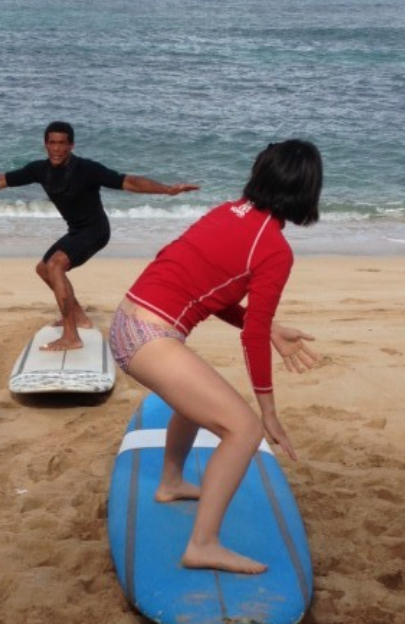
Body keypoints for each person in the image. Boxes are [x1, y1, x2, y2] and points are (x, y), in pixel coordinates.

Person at [109, 140, 323, 575]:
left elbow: (207, 285)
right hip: (152, 334)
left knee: (198, 398)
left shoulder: (229, 211)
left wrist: (270, 330)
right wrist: (267, 411)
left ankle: (170, 483)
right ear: (307, 190)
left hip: (129, 320)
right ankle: (202, 544)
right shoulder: (275, 249)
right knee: (242, 430)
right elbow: (253, 336)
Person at [0, 121, 199, 351]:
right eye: (52, 143)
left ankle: (71, 337)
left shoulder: (88, 169)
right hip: (76, 230)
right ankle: (80, 317)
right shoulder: (38, 170)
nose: (57, 148)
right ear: (45, 145)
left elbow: (128, 181)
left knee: (55, 266)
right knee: (43, 269)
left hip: (96, 230)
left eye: (63, 143)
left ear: (71, 146)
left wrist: (167, 189)